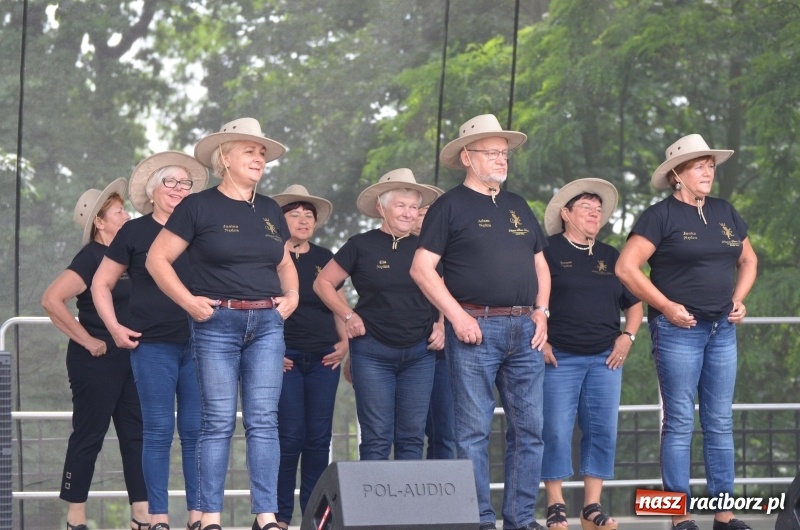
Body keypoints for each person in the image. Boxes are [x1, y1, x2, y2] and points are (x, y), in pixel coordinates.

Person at [145, 118, 299, 530]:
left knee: (264, 421)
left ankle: (266, 516)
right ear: (224, 159)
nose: (259, 158)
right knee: (216, 422)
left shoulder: (270, 209)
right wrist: (189, 302)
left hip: (268, 323)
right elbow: (157, 259)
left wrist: (293, 297)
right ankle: (209, 517)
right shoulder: (198, 206)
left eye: (262, 153)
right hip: (217, 323)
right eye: (250, 150)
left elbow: (285, 263)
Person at [410, 114, 551, 530]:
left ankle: (521, 520)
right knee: (473, 432)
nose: (501, 159)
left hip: (525, 328)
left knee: (531, 431)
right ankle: (481, 521)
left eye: (504, 153)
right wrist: (456, 316)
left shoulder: (518, 204)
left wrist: (542, 311)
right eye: (491, 152)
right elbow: (421, 268)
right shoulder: (449, 206)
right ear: (467, 157)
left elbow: (541, 265)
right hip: (475, 327)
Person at [615, 134, 758, 530]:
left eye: (710, 165)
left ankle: (725, 515)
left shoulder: (725, 211)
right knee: (679, 421)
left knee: (720, 422)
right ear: (677, 175)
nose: (708, 172)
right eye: (699, 166)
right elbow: (625, 267)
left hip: (721, 330)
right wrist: (665, 307)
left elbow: (748, 259)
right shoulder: (659, 216)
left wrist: (739, 299)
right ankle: (680, 517)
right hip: (679, 330)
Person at [92, 152, 209, 530]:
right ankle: (158, 517)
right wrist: (114, 328)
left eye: (185, 183)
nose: (178, 189)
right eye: (170, 182)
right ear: (152, 191)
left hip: (202, 345)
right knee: (157, 431)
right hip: (153, 346)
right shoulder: (134, 232)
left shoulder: (202, 230)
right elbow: (101, 283)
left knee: (196, 433)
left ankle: (198, 516)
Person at [41, 179, 149, 530]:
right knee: (89, 434)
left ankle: (142, 515)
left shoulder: (126, 256)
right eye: (119, 212)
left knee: (136, 434)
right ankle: (76, 518)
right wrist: (87, 340)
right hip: (96, 360)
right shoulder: (90, 258)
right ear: (100, 223)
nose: (127, 215)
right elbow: (51, 300)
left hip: (131, 358)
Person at [314, 168, 442, 461]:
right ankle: (375, 495)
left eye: (414, 207)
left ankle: (408, 495)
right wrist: (348, 315)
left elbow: (444, 290)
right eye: (401, 205)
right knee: (376, 438)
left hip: (420, 352)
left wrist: (443, 324)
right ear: (381, 207)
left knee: (412, 437)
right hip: (372, 352)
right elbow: (322, 283)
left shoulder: (427, 249)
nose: (408, 213)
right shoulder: (360, 245)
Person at [538, 178, 643, 530]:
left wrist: (628, 336)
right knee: (555, 430)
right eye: (586, 208)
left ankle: (591, 508)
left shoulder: (612, 256)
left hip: (605, 359)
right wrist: (542, 341)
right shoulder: (547, 250)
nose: (595, 214)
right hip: (559, 357)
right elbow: (529, 299)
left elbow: (635, 304)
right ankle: (555, 505)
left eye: (599, 210)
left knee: (602, 431)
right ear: (566, 214)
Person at [270, 184, 347, 529]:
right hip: (283, 360)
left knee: (318, 439)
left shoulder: (325, 257)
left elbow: (337, 305)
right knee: (289, 437)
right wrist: (271, 352)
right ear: (280, 220)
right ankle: (279, 517)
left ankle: (314, 519)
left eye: (308, 216)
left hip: (324, 359)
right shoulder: (268, 256)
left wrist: (345, 342)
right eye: (295, 214)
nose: (303, 221)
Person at [412, 184, 456, 460]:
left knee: (445, 432)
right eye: (418, 210)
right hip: (401, 353)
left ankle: (443, 487)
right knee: (408, 433)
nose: (422, 215)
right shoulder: (394, 248)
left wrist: (441, 322)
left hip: (443, 352)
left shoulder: (452, 250)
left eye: (429, 210)